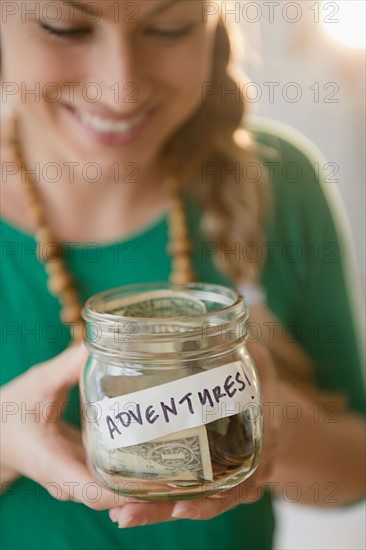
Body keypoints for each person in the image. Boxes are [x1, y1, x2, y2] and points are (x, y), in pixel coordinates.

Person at [0, 1, 365, 549]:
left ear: (215, 26)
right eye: (65, 27)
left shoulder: (279, 184)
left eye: (168, 29)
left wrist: (275, 425)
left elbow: (353, 472)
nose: (121, 88)